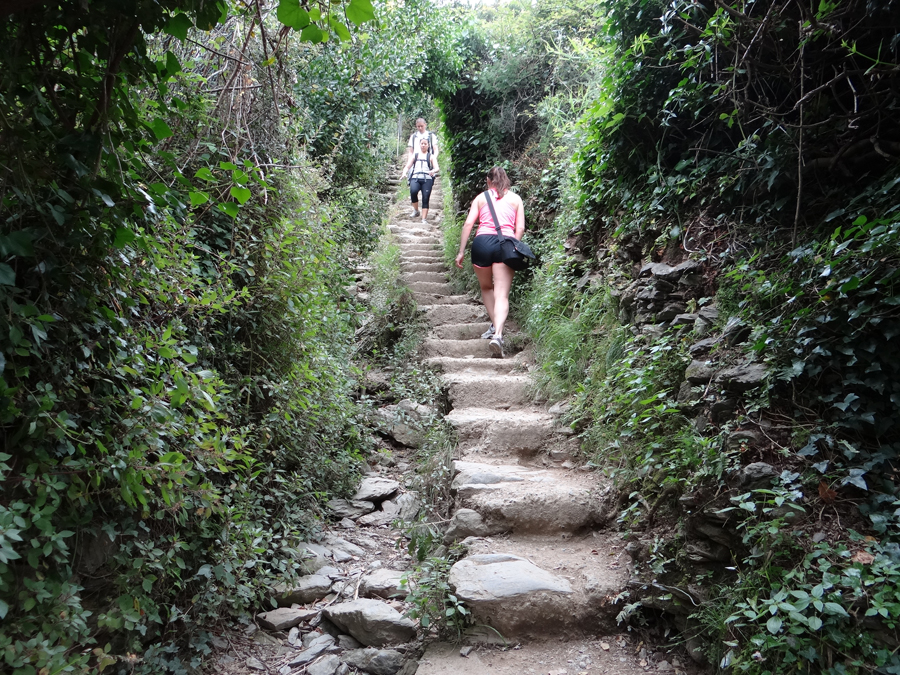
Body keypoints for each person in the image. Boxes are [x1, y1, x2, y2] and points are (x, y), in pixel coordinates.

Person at [455, 166, 524, 358]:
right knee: (502, 295)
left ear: (488, 181)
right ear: (506, 180)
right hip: (505, 244)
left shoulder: (481, 198)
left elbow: (469, 224)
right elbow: (520, 228)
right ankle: (499, 335)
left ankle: (495, 329)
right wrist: (514, 246)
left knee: (486, 288)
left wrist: (461, 251)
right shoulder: (516, 199)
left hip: (482, 243)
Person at [400, 137, 439, 221]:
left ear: (428, 145)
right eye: (422, 143)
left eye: (425, 144)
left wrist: (433, 171)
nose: (423, 145)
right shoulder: (415, 155)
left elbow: (437, 168)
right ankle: (416, 210)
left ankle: (424, 219)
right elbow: (407, 166)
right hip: (415, 177)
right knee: (413, 192)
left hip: (427, 179)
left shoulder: (431, 156)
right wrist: (404, 173)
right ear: (419, 145)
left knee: (426, 197)